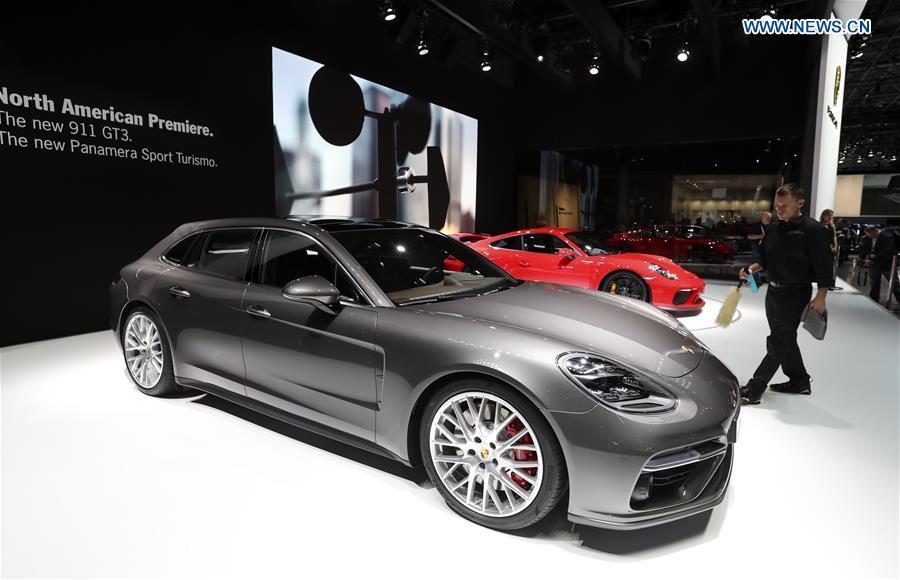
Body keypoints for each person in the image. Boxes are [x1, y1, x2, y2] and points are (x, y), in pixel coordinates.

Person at [738, 184, 833, 405]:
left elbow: (824, 266)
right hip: (772, 292)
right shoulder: (773, 229)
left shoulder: (814, 230)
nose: (779, 210)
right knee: (784, 338)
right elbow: (763, 259)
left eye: (784, 206)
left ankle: (755, 388)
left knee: (778, 340)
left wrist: (821, 296)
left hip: (796, 294)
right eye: (777, 206)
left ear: (800, 203)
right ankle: (799, 381)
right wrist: (750, 270)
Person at [859, 225, 900, 304]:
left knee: (894, 283)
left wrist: (872, 259)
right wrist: (863, 258)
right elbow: (865, 248)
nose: (869, 237)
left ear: (874, 231)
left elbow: (886, 251)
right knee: (874, 283)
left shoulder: (887, 237)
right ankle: (874, 300)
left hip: (886, 264)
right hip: (873, 264)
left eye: (870, 235)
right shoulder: (867, 237)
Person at [746, 211, 771, 286]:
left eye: (770, 218)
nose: (768, 219)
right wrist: (760, 236)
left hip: (767, 247)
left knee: (762, 263)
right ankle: (753, 281)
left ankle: (757, 280)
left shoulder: (771, 226)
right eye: (767, 218)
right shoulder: (756, 226)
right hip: (757, 247)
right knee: (756, 263)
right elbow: (749, 236)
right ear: (762, 217)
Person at [819, 209, 841, 290]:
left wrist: (835, 246)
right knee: (824, 267)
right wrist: (829, 247)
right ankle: (823, 284)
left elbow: (834, 237)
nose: (830, 217)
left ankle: (829, 284)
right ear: (824, 215)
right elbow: (820, 239)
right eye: (828, 215)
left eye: (831, 215)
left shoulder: (831, 225)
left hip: (832, 249)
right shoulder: (819, 225)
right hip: (824, 249)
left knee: (831, 267)